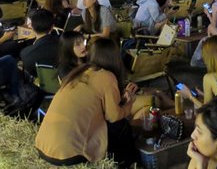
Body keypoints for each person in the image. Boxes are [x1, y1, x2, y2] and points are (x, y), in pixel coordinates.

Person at [35, 38, 139, 166]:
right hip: (68, 153)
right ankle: (129, 163)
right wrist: (130, 102)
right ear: (115, 57)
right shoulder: (107, 76)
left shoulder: (80, 71)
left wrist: (122, 99)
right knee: (121, 126)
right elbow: (113, 116)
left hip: (43, 145)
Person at [20, 9, 60, 77]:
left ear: (31, 26)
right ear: (52, 27)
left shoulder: (25, 53)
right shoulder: (65, 43)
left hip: (44, 84)